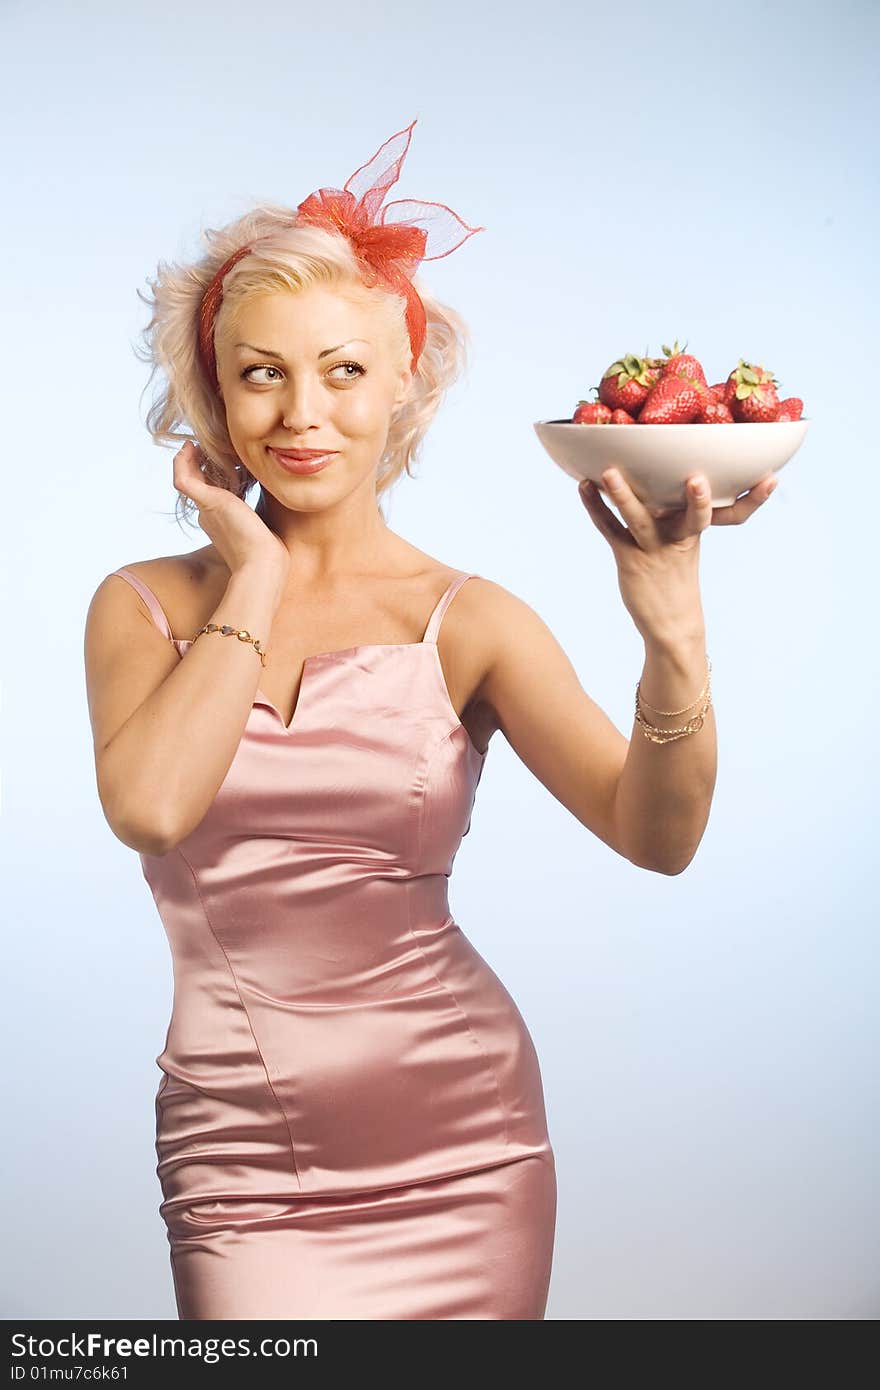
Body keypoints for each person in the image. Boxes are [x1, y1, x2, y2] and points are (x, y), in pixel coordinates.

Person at [83, 120, 774, 1320]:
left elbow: (656, 837)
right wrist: (249, 576)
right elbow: (150, 807)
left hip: (468, 1148)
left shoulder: (468, 621)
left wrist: (672, 627)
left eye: (344, 369)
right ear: (217, 391)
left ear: (405, 377)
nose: (305, 413)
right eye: (263, 372)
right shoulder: (143, 605)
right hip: (237, 1156)